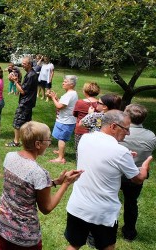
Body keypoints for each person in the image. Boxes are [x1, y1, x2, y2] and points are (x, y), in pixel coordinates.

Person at [65, 110, 152, 250]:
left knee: (74, 245)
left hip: (78, 206)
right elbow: (138, 179)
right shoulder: (120, 151)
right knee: (107, 246)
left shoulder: (86, 138)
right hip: (102, 213)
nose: (128, 133)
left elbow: (101, 155)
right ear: (113, 126)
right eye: (126, 129)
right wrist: (145, 167)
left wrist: (125, 156)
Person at [0, 121, 83, 249]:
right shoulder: (39, 173)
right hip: (24, 238)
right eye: (48, 139)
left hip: (2, 228)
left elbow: (25, 188)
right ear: (38, 144)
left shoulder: (10, 156)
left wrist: (55, 182)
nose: (49, 143)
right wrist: (66, 184)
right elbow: (46, 208)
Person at [119, 104, 156, 241]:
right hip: (137, 174)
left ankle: (106, 229)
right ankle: (129, 233)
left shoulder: (118, 132)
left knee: (110, 200)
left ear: (126, 116)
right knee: (131, 202)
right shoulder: (151, 136)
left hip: (117, 174)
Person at [5, 56, 39, 147]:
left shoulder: (31, 75)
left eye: (24, 63)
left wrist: (15, 82)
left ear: (29, 64)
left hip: (26, 102)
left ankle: (16, 142)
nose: (22, 65)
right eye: (22, 63)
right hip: (29, 102)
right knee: (27, 123)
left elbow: (22, 91)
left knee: (18, 122)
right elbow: (24, 87)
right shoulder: (30, 74)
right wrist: (16, 80)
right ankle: (29, 140)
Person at [47, 75, 79, 164]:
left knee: (62, 139)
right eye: (63, 81)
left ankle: (60, 158)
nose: (63, 83)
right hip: (65, 119)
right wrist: (56, 98)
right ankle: (60, 151)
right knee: (61, 138)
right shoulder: (72, 93)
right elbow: (63, 103)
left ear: (71, 84)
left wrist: (53, 98)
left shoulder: (69, 94)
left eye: (65, 82)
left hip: (66, 121)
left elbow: (59, 106)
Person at [72, 82, 100, 158]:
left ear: (85, 91)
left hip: (80, 130)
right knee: (91, 151)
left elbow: (74, 114)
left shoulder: (80, 102)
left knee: (79, 150)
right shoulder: (100, 104)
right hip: (94, 131)